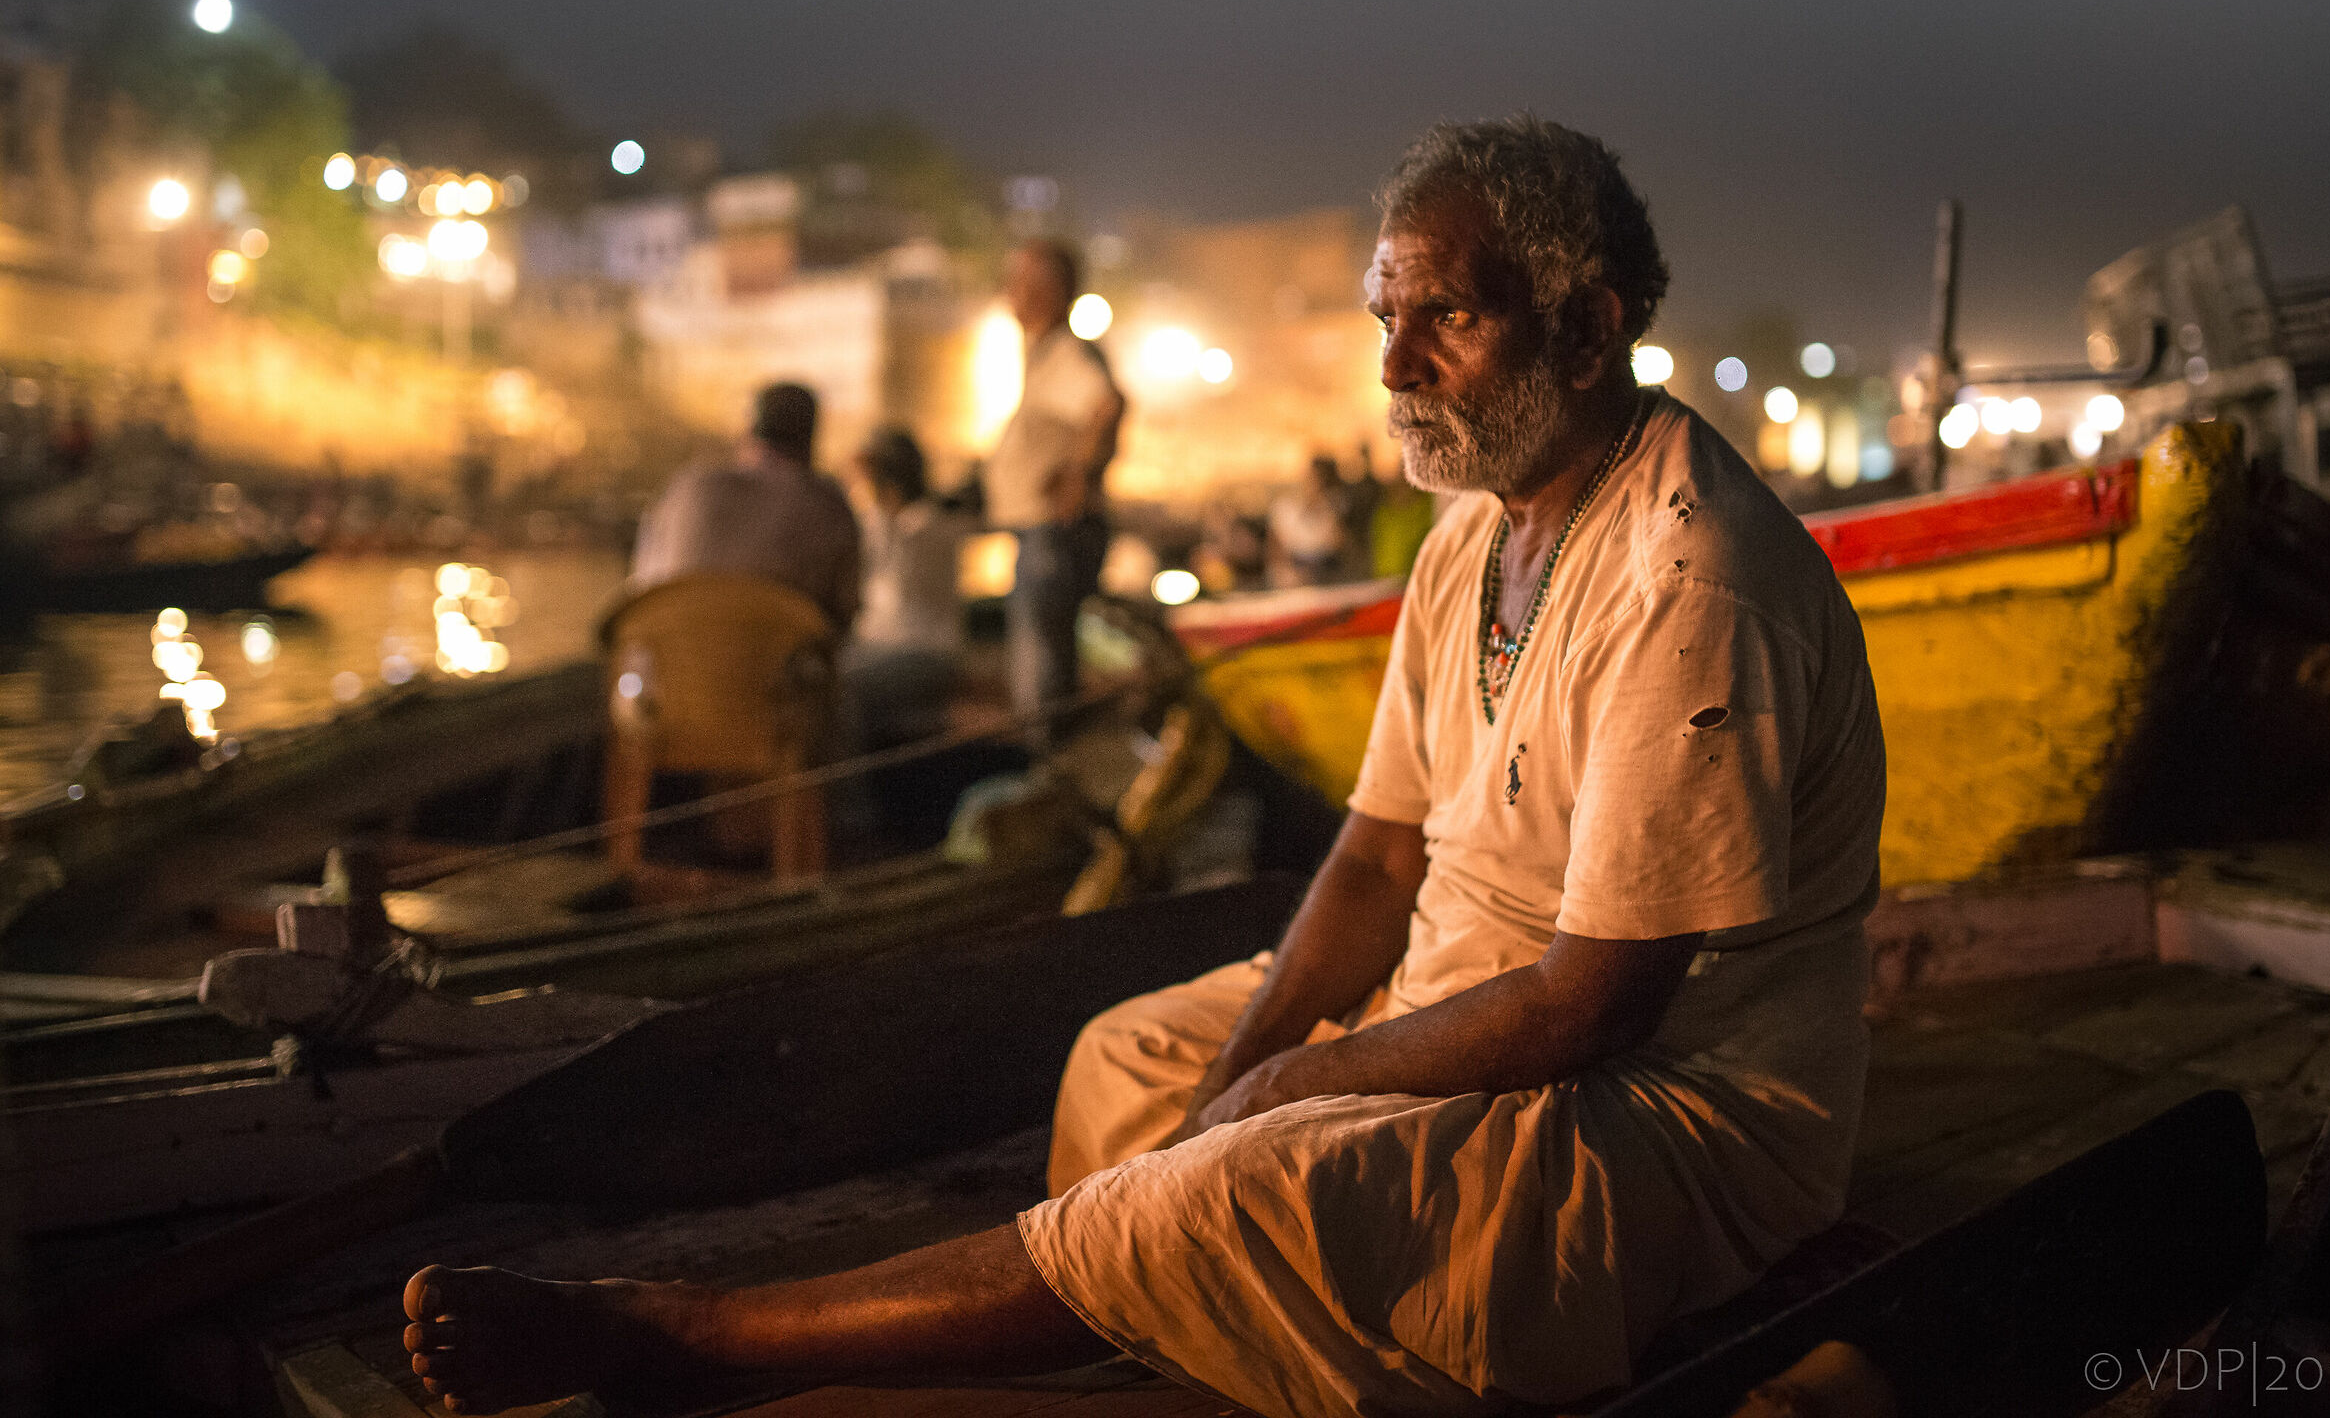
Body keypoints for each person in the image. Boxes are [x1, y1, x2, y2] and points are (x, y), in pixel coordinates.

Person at [399, 117, 1885, 1418]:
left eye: (1446, 320)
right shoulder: (1472, 536)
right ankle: (1170, 1327)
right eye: (1387, 315)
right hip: (1455, 1004)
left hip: (1666, 1116)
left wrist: (1302, 1082)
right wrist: (1253, 1065)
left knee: (1237, 1170)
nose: (1392, 366)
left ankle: (693, 1335)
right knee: (1130, 1062)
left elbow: (1597, 1002)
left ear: (1585, 324)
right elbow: (1374, 859)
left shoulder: (1695, 576)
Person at [982, 240, 1123, 733]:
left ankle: (1048, 782)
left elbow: (1107, 406)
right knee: (1043, 671)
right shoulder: (1042, 355)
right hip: (1043, 535)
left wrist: (1077, 476)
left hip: (1052, 537)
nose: (1008, 293)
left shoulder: (1064, 353)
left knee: (1042, 683)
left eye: (1018, 282)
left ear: (1046, 291)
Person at [627, 382, 860, 636]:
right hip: (775, 669)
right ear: (811, 441)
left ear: (747, 433)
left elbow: (640, 586)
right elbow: (844, 614)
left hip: (672, 664)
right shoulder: (827, 504)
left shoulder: (684, 488)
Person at [842, 424, 969, 749]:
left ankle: (855, 799)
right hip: (879, 649)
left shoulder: (929, 526)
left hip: (921, 652)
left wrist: (876, 507)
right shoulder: (887, 523)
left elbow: (896, 575)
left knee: (838, 687)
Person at [1266, 452, 1349, 586]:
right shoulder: (1285, 508)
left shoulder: (1332, 507)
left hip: (1326, 572)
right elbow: (1276, 548)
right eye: (1314, 478)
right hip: (1295, 574)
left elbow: (1338, 543)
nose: (1317, 484)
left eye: (1323, 480)